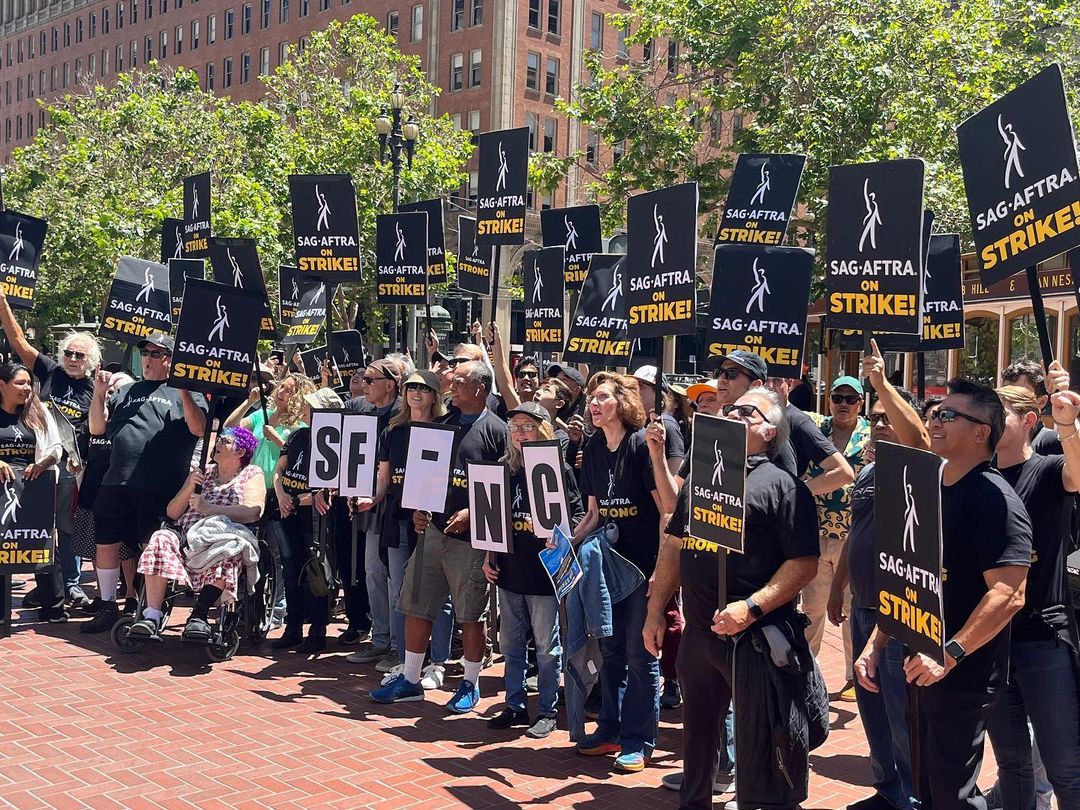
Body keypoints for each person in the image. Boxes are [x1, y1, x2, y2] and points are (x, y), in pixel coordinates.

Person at [855, 377, 1032, 808]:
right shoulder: (925, 485)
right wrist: (875, 643)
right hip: (917, 661)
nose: (934, 420)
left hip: (962, 672)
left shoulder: (995, 499)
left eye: (948, 414)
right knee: (928, 786)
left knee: (954, 793)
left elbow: (1010, 593)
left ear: (980, 432)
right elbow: (905, 577)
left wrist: (949, 652)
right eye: (935, 411)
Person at [644, 387, 820, 810]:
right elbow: (675, 544)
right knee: (697, 737)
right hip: (700, 636)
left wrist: (751, 607)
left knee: (764, 743)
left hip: (753, 641)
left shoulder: (783, 486)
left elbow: (804, 563)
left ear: (769, 430)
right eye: (733, 408)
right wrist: (655, 612)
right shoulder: (703, 475)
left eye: (749, 410)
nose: (735, 412)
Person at [371, 361, 507, 713]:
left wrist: (473, 514)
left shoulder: (497, 431)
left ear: (479, 388)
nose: (451, 387)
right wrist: (418, 507)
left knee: (470, 613)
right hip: (432, 532)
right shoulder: (440, 425)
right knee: (416, 604)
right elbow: (424, 474)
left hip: (472, 541)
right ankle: (412, 679)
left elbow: (506, 487)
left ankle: (469, 683)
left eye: (459, 382)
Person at [829, 340, 930, 810]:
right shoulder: (868, 471)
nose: (884, 424)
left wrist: (881, 384)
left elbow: (920, 440)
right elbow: (855, 534)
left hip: (900, 613)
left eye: (893, 418)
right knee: (870, 706)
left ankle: (911, 795)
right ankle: (888, 789)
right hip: (862, 604)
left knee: (898, 709)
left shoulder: (918, 468)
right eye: (881, 418)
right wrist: (837, 587)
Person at [571, 372, 672, 774]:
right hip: (606, 573)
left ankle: (638, 740)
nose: (593, 405)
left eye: (602, 398)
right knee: (610, 652)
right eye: (591, 399)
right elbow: (594, 513)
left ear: (623, 403)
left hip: (642, 570)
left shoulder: (638, 445)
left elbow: (669, 507)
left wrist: (663, 574)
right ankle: (610, 730)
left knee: (639, 654)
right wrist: (566, 542)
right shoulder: (595, 448)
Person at [987, 380, 1080, 810]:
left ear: (1027, 421)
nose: (987, 419)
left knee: (1065, 766)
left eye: (999, 411)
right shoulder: (978, 477)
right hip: (992, 641)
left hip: (1043, 638)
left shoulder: (1047, 469)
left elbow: (1076, 474)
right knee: (1013, 765)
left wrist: (1066, 424)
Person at [82, 333, 208, 633]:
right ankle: (108, 605)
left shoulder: (186, 391)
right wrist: (99, 393)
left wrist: (184, 392)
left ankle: (150, 609)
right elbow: (97, 427)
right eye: (145, 353)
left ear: (169, 360)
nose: (147, 359)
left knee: (152, 543)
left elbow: (199, 428)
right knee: (107, 541)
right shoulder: (128, 391)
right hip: (116, 480)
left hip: (160, 485)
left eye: (155, 353)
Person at [483, 401, 585, 739]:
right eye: (515, 427)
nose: (521, 433)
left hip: (544, 576)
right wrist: (488, 555)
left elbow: (576, 515)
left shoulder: (558, 471)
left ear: (542, 429)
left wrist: (563, 538)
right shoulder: (503, 470)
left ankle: (546, 709)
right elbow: (491, 521)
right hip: (510, 571)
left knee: (545, 647)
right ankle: (513, 705)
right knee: (510, 646)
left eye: (528, 426)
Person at [0, 286, 100, 608]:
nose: (72, 359)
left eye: (79, 355)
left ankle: (70, 583)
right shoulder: (51, 372)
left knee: (66, 527)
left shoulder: (96, 386)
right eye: (68, 353)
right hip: (36, 465)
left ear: (91, 361)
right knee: (35, 525)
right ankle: (48, 584)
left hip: (73, 468)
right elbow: (18, 342)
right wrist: (3, 303)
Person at [353, 369, 453, 685]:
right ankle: (404, 654)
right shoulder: (393, 431)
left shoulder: (446, 429)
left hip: (435, 521)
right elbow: (384, 479)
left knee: (438, 591)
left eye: (423, 388)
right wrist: (371, 499)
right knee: (401, 587)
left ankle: (437, 660)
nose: (416, 393)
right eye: (411, 388)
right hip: (397, 517)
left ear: (435, 395)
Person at [128, 427, 264, 641]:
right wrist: (190, 485)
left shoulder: (251, 473)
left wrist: (209, 508)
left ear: (240, 452)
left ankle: (199, 615)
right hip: (187, 533)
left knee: (228, 549)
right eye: (218, 440)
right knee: (160, 538)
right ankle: (152, 615)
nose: (218, 444)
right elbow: (172, 512)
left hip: (223, 533)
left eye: (225, 441)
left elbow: (254, 511)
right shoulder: (204, 473)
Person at [801, 376, 872, 702]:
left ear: (861, 403)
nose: (843, 403)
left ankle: (852, 677)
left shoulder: (871, 433)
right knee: (812, 608)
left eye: (851, 398)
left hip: (851, 536)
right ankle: (806, 674)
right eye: (837, 396)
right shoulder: (815, 430)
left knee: (848, 611)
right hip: (814, 533)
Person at [336, 357, 402, 657]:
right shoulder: (361, 410)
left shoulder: (405, 414)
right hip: (368, 504)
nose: (364, 385)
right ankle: (380, 639)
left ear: (390, 385)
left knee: (395, 576)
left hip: (398, 506)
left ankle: (400, 646)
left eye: (370, 380)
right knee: (372, 570)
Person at [269, 388, 342, 652]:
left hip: (313, 516)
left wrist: (298, 500)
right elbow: (280, 469)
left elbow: (329, 489)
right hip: (287, 510)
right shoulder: (298, 434)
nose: (306, 410)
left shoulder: (333, 442)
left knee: (315, 572)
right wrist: (281, 495)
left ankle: (318, 629)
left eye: (312, 407)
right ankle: (293, 627)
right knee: (290, 570)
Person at [0, 362, 64, 620]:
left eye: (29, 383)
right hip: (1, 489)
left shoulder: (39, 411)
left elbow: (56, 449)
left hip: (34, 487)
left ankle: (54, 607)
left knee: (41, 543)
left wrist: (42, 463)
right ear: (2, 385)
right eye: (20, 383)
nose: (27, 388)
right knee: (3, 543)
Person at [223, 372, 315, 487]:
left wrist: (276, 439)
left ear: (298, 397)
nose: (281, 392)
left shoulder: (301, 425)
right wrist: (249, 401)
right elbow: (229, 428)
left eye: (288, 391)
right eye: (282, 386)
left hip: (278, 491)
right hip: (250, 485)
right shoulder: (263, 414)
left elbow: (299, 458)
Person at [1002, 358, 1062, 454]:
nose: (1008, 400)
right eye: (1004, 393)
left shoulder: (1052, 443)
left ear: (1041, 401)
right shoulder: (993, 439)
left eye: (1019, 394)